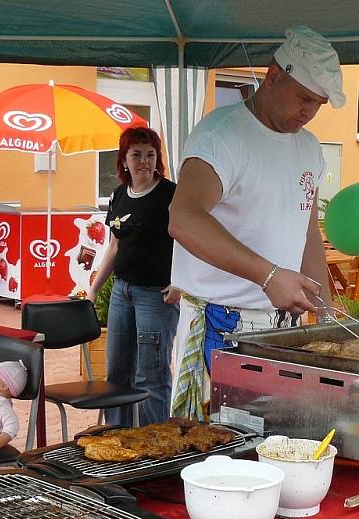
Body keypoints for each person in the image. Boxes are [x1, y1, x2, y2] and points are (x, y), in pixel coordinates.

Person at [168, 26, 345, 420]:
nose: (308, 111)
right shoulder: (220, 136)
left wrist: (327, 311)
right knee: (217, 451)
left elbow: (307, 232)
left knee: (278, 442)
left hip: (282, 327)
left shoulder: (309, 148)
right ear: (274, 75)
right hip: (220, 323)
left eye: (317, 104)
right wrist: (268, 276)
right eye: (303, 97)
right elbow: (183, 218)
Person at [88, 127, 180, 425]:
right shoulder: (118, 196)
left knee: (150, 374)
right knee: (118, 371)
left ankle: (154, 439)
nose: (144, 161)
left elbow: (191, 242)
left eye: (150, 154)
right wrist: (93, 288)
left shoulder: (170, 194)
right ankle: (118, 434)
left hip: (156, 296)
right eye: (136, 154)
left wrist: (181, 281)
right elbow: (114, 247)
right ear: (124, 160)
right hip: (122, 292)